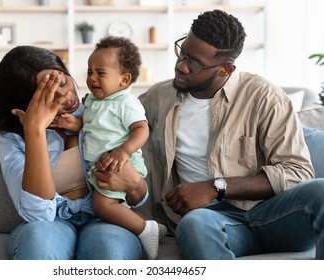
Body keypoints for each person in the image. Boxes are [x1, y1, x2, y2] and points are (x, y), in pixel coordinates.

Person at [139, 9, 324, 259]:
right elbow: (116, 117)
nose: (181, 66)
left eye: (194, 63)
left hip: (273, 215)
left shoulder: (265, 97)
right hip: (211, 221)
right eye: (182, 51)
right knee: (194, 224)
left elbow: (297, 172)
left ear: (226, 69)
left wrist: (216, 187)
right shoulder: (158, 97)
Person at [0, 45, 149, 260]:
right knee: (40, 245)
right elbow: (38, 214)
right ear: (26, 103)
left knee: (109, 250)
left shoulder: (98, 112)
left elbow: (137, 199)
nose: (66, 95)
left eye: (63, 82)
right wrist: (34, 130)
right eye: (50, 93)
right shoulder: (11, 139)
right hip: (52, 222)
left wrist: (135, 184)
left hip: (104, 216)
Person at [55, 36, 163, 260]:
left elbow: (142, 129)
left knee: (103, 206)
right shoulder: (93, 101)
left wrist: (123, 152)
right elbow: (90, 124)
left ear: (124, 80)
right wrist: (74, 124)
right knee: (103, 203)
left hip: (121, 163)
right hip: (102, 165)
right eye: (89, 72)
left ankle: (145, 229)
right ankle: (143, 225)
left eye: (100, 73)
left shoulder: (126, 103)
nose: (92, 78)